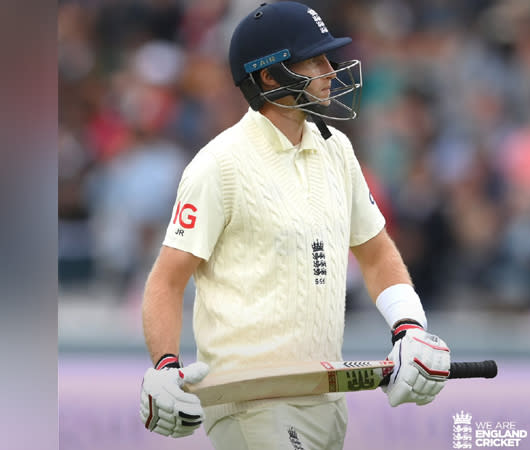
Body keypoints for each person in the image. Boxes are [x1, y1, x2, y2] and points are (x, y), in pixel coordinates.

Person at [139, 2, 451, 449]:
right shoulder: (219, 164)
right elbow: (167, 280)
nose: (331, 69)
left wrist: (409, 327)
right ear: (270, 76)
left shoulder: (336, 149)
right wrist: (165, 366)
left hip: (325, 402)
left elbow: (377, 250)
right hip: (251, 404)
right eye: (316, 59)